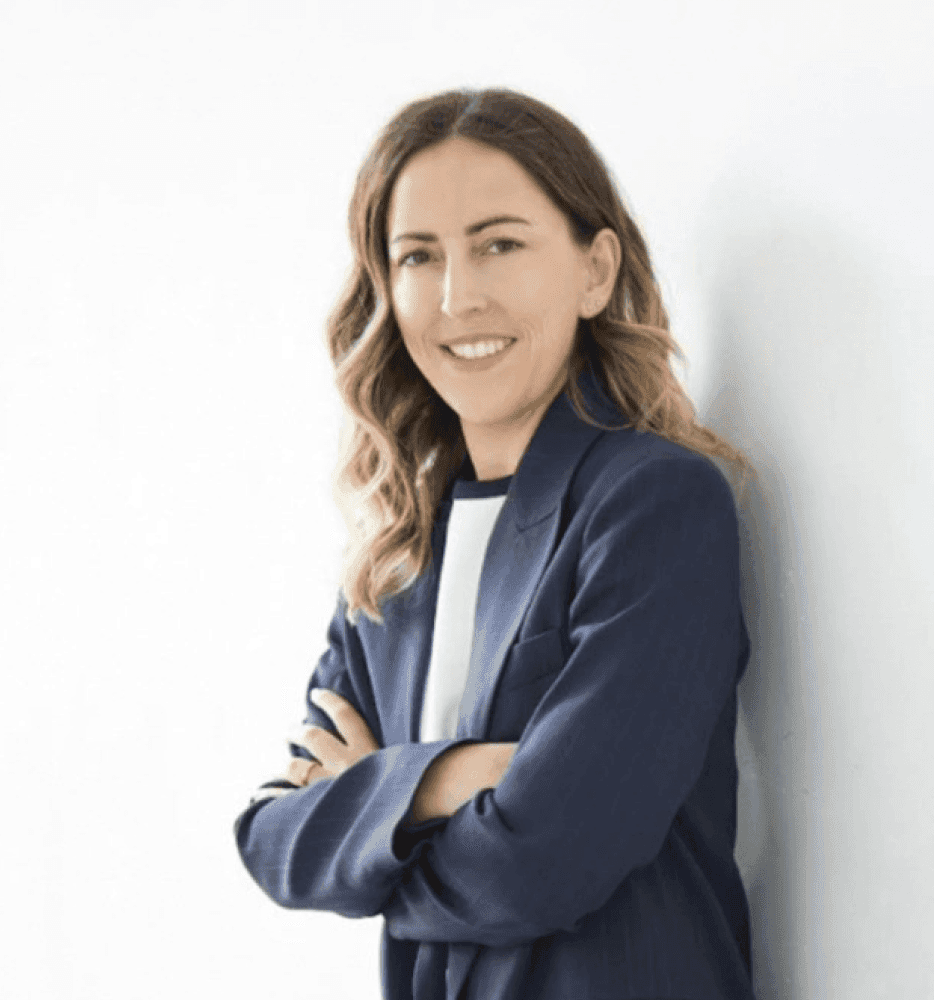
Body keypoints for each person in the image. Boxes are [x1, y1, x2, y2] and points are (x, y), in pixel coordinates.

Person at [232, 87, 757, 1000]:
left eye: (499, 244)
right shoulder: (399, 553)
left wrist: (377, 826)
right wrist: (448, 783)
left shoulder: (655, 503)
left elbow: (550, 858)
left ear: (595, 271)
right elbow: (275, 840)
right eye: (417, 256)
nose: (456, 296)